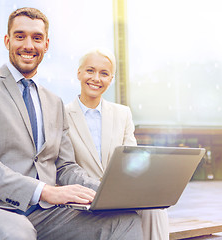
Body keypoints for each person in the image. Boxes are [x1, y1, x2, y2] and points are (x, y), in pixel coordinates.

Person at [0, 7, 143, 240]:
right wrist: (44, 191)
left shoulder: (54, 102)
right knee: (17, 234)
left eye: (37, 38)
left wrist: (109, 191)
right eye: (20, 36)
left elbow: (65, 167)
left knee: (124, 220)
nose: (29, 45)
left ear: (46, 45)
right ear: (7, 40)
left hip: (44, 214)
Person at [65, 48, 170, 240]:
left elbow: (133, 161)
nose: (96, 78)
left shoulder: (123, 114)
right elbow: (63, 167)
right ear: (79, 72)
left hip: (121, 195)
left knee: (156, 208)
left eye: (104, 73)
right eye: (90, 70)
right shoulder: (61, 115)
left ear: (111, 79)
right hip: (83, 199)